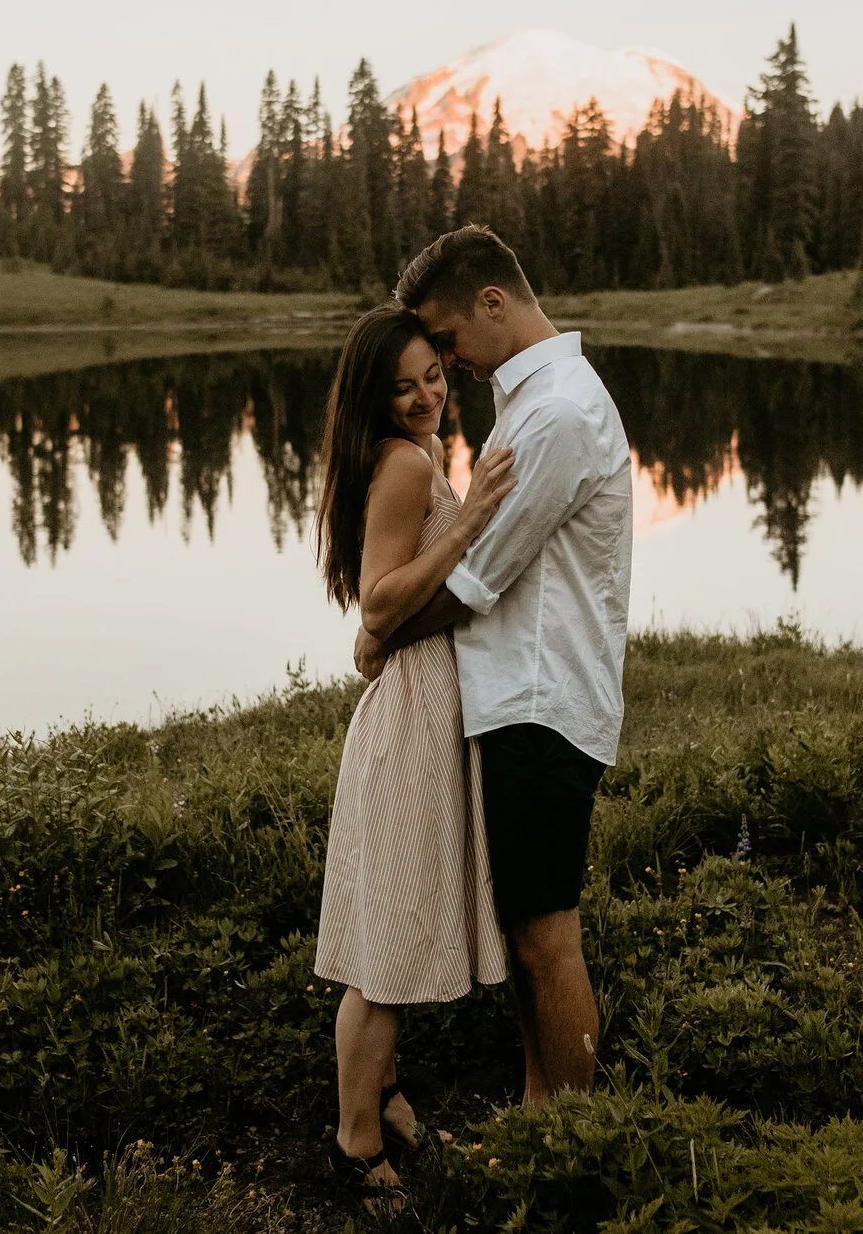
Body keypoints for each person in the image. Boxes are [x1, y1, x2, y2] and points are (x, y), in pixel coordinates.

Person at [356, 224, 633, 1110]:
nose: (444, 362)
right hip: (519, 701)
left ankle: (574, 1140)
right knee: (527, 934)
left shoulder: (555, 413)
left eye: (444, 339)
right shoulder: (533, 400)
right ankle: (538, 1110)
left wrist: (383, 629)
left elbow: (476, 580)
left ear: (492, 302)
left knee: (548, 938)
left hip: (544, 705)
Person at [311, 305, 519, 1204]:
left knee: (390, 929)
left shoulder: (412, 454)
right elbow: (380, 607)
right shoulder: (402, 463)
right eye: (401, 386)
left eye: (432, 374)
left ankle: (386, 1092)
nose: (426, 395)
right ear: (373, 396)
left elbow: (385, 606)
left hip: (422, 712)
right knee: (381, 956)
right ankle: (356, 1146)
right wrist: (470, 520)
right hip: (407, 725)